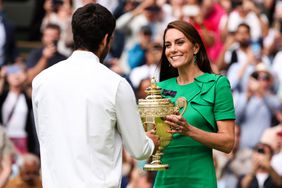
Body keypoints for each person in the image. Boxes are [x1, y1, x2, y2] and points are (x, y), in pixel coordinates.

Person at [32, 3, 158, 188]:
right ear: (106, 39)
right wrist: (152, 142)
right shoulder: (116, 84)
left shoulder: (41, 81)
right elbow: (140, 150)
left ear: (75, 36)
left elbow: (45, 136)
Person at [153, 20, 236, 188]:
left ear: (196, 48)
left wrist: (189, 130)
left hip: (200, 179)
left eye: (180, 42)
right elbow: (152, 145)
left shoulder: (217, 84)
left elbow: (228, 143)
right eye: (168, 45)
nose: (173, 49)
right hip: (165, 179)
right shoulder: (158, 89)